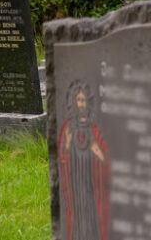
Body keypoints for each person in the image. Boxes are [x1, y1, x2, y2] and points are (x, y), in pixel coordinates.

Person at [58, 80, 110, 240]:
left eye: (83, 100)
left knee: (91, 222)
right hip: (75, 188)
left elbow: (106, 161)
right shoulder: (67, 128)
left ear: (88, 103)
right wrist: (67, 145)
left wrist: (96, 150)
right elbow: (61, 161)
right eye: (78, 100)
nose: (80, 104)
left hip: (91, 189)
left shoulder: (94, 130)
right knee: (77, 224)